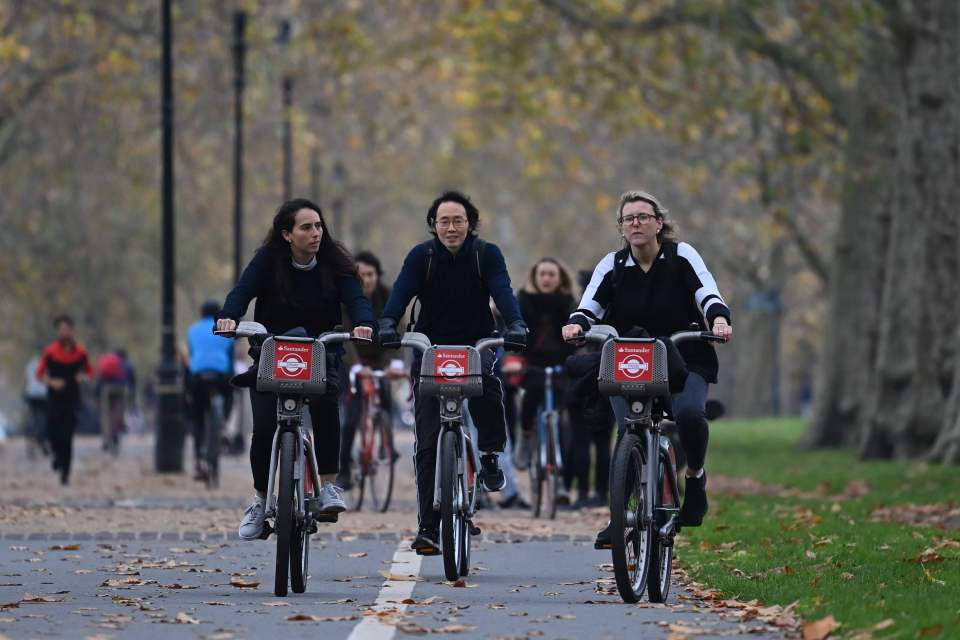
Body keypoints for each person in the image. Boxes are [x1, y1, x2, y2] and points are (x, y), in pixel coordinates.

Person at [561, 189, 733, 546]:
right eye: (628, 219)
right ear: (621, 228)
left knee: (688, 415)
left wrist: (718, 320)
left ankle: (696, 477)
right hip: (631, 359)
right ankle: (618, 517)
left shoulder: (681, 255)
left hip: (683, 356)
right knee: (627, 430)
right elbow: (589, 304)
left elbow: (708, 293)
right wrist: (577, 323)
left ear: (659, 223)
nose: (635, 223)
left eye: (643, 216)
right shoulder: (612, 264)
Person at [378, 190, 528, 554]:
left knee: (489, 387)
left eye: (458, 220)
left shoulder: (485, 255)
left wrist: (516, 323)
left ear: (470, 224)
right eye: (443, 221)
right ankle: (428, 527)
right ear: (433, 225)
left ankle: (490, 454)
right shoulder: (421, 257)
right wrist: (386, 322)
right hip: (429, 347)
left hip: (476, 342)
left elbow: (503, 292)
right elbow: (400, 294)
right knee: (427, 439)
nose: (450, 227)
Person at [216, 198, 374, 540]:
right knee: (262, 429)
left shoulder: (335, 264)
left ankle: (329, 486)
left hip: (321, 354)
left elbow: (357, 300)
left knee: (327, 408)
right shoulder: (267, 262)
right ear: (287, 234)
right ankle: (260, 502)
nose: (315, 233)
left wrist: (364, 323)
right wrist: (229, 317)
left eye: (318, 226)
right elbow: (241, 293)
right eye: (306, 227)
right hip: (273, 354)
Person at [512, 257, 578, 506]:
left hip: (561, 365)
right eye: (543, 274)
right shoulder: (524, 301)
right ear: (535, 277)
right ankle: (526, 437)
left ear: (560, 278)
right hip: (533, 364)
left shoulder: (569, 304)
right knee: (530, 401)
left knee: (560, 419)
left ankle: (560, 478)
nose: (547, 279)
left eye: (552, 274)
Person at [338, 250, 399, 490]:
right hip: (350, 359)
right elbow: (344, 336)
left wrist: (393, 363)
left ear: (378, 275)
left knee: (385, 394)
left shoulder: (388, 296)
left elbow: (397, 330)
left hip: (378, 357)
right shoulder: (346, 299)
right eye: (361, 275)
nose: (367, 280)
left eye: (371, 274)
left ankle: (387, 441)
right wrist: (356, 366)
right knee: (351, 414)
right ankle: (344, 469)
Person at [36, 314, 93, 485]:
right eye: (61, 329)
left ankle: (65, 471)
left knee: (67, 435)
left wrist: (82, 377)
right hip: (54, 398)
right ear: (57, 331)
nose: (64, 332)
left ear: (71, 331)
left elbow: (89, 372)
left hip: (72, 398)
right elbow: (39, 374)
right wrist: (52, 382)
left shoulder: (81, 352)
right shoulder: (50, 352)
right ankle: (57, 456)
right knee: (53, 433)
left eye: (66, 329)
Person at [186, 301, 235, 480]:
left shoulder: (192, 330)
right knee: (230, 395)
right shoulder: (225, 329)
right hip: (221, 375)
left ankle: (199, 461)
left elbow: (192, 355)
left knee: (198, 418)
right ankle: (223, 424)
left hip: (198, 376)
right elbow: (229, 359)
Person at [22, 350, 49, 459]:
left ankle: (32, 438)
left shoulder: (30, 364)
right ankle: (41, 439)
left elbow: (25, 380)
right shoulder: (46, 364)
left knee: (33, 416)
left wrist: (25, 392)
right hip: (43, 394)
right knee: (43, 418)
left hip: (31, 394)